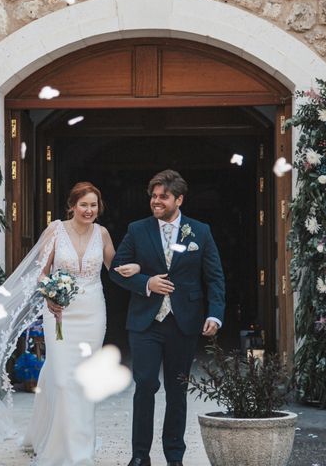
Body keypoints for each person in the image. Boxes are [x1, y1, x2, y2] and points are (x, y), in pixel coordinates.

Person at [0, 182, 139, 465]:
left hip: (92, 313)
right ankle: (53, 442)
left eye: (93, 205)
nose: (89, 210)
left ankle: (79, 449)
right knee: (62, 379)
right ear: (72, 205)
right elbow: (40, 273)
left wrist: (135, 268)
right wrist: (50, 295)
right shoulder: (55, 230)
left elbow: (115, 268)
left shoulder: (102, 233)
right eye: (84, 205)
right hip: (59, 312)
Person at [109, 170, 225, 466]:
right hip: (145, 322)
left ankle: (174, 457)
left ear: (179, 199)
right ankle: (139, 456)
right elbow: (116, 269)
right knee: (145, 385)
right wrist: (147, 283)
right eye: (153, 196)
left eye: (163, 197)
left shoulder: (200, 231)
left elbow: (214, 277)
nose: (156, 201)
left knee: (177, 391)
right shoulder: (137, 229)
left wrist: (216, 313)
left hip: (183, 322)